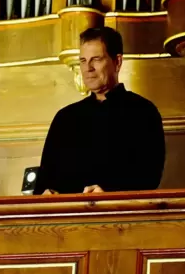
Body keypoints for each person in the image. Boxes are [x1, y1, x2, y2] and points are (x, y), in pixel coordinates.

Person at [33, 27, 165, 195]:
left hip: (118, 215)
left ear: (117, 62)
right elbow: (45, 177)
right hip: (67, 217)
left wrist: (109, 190)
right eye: (82, 60)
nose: (88, 68)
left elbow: (149, 175)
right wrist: (48, 190)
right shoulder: (65, 118)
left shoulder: (143, 112)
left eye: (96, 59)